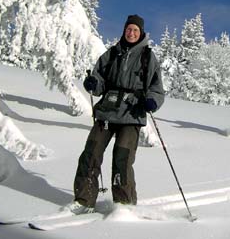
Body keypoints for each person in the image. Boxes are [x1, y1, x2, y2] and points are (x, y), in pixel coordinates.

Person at [69, 14, 165, 214]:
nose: (131, 33)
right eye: (129, 29)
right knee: (90, 154)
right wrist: (94, 84)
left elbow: (157, 88)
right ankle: (83, 200)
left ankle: (124, 205)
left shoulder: (148, 57)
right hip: (107, 110)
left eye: (135, 30)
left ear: (141, 33)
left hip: (132, 113)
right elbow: (99, 78)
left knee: (122, 158)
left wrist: (152, 101)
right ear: (124, 31)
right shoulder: (112, 53)